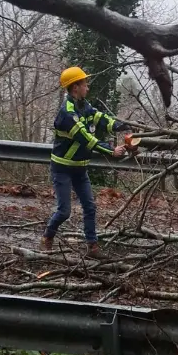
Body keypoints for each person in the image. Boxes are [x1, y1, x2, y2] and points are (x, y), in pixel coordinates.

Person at [43, 66, 129, 258]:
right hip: (63, 169)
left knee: (90, 207)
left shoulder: (84, 106)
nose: (87, 87)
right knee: (64, 212)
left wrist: (122, 126)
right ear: (75, 87)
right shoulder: (67, 114)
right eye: (84, 83)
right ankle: (47, 237)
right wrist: (111, 150)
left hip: (80, 169)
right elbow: (86, 138)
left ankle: (92, 248)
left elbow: (100, 118)